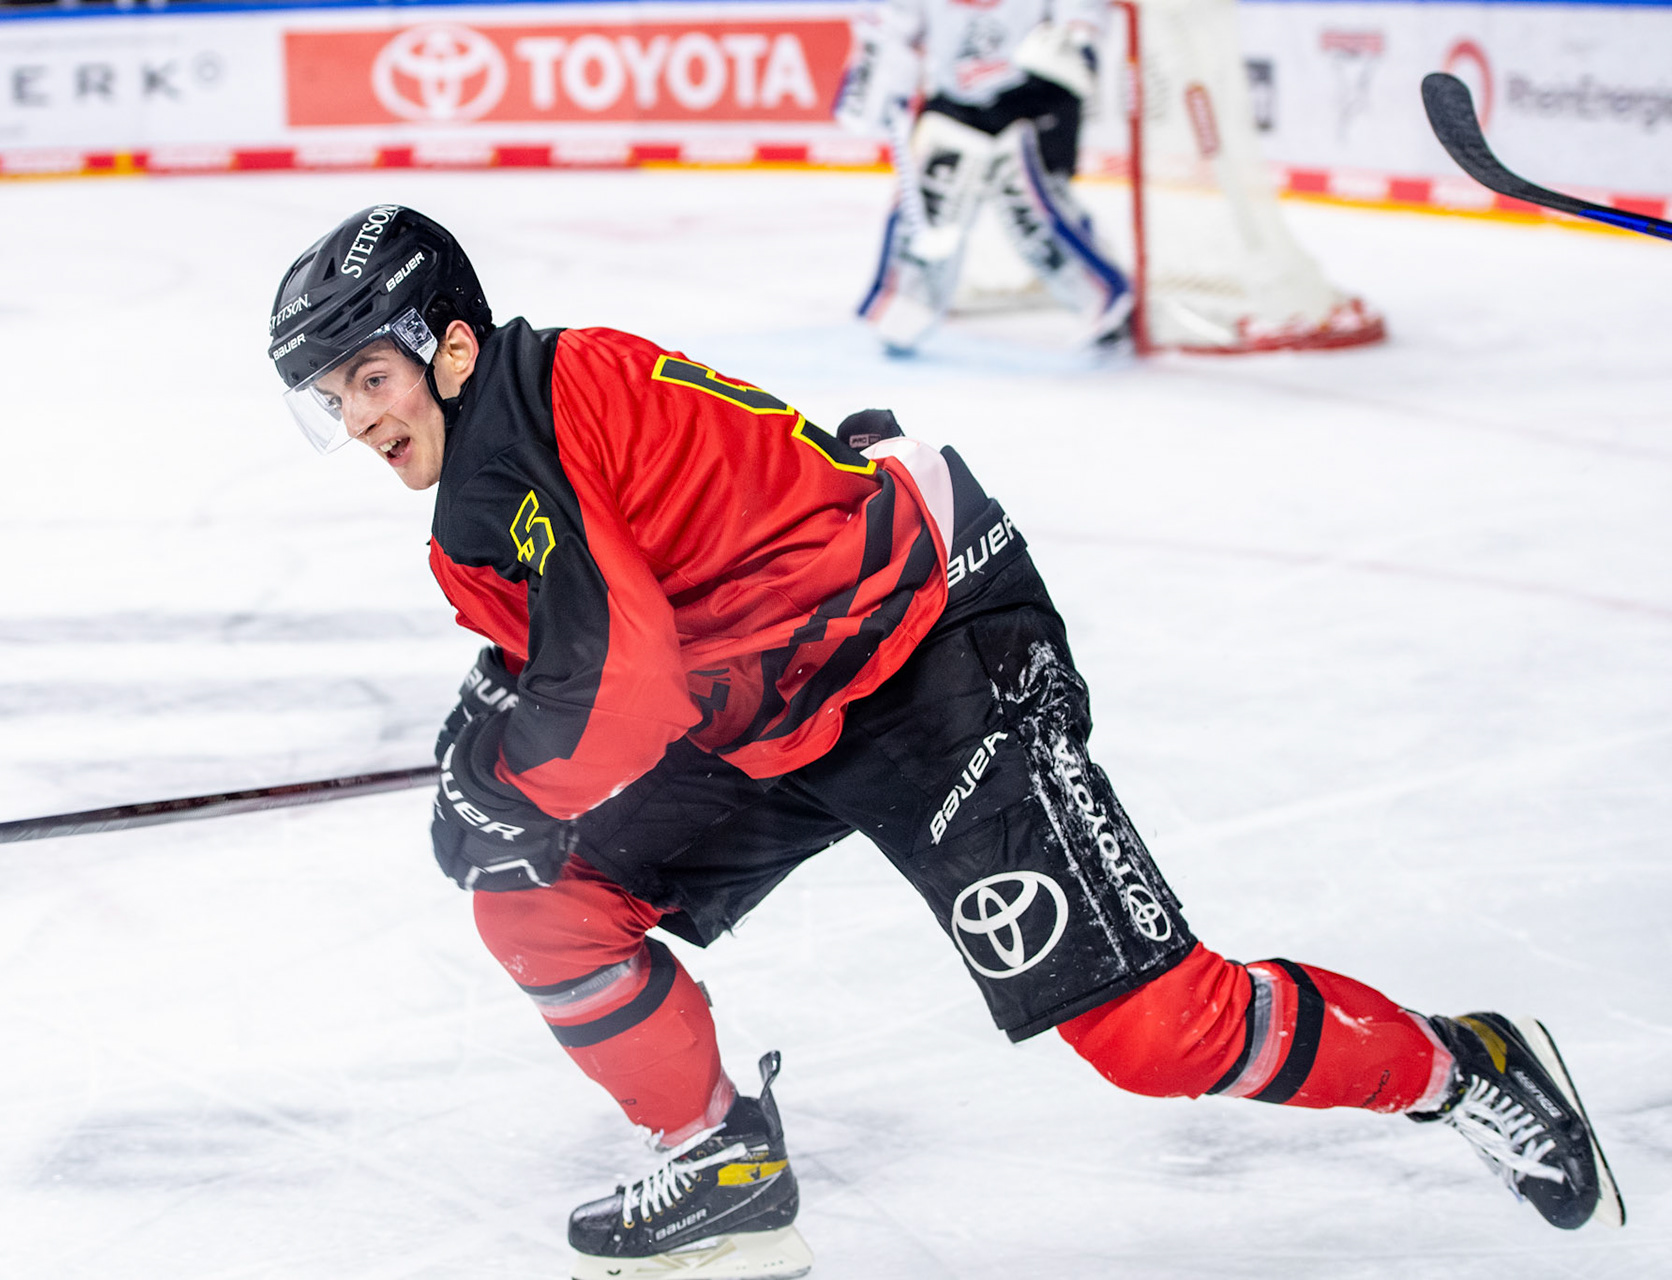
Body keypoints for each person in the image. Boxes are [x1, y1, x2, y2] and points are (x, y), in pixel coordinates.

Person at [267, 205, 1624, 1279]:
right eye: (336, 397)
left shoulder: (515, 450)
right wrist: (498, 726)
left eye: (371, 377)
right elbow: (580, 640)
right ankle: (721, 1158)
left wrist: (507, 775)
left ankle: (1467, 1068)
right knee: (541, 894)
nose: (362, 419)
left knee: (1153, 1030)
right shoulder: (511, 433)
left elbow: (617, 689)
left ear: (448, 345)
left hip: (929, 656)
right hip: (778, 700)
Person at [834, 0, 1133, 353]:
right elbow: (891, 24)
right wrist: (874, 76)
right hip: (956, 97)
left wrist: (1077, 40)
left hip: (1037, 94)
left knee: (1029, 204)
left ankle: (1104, 299)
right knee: (932, 194)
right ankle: (908, 300)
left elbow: (1080, 16)